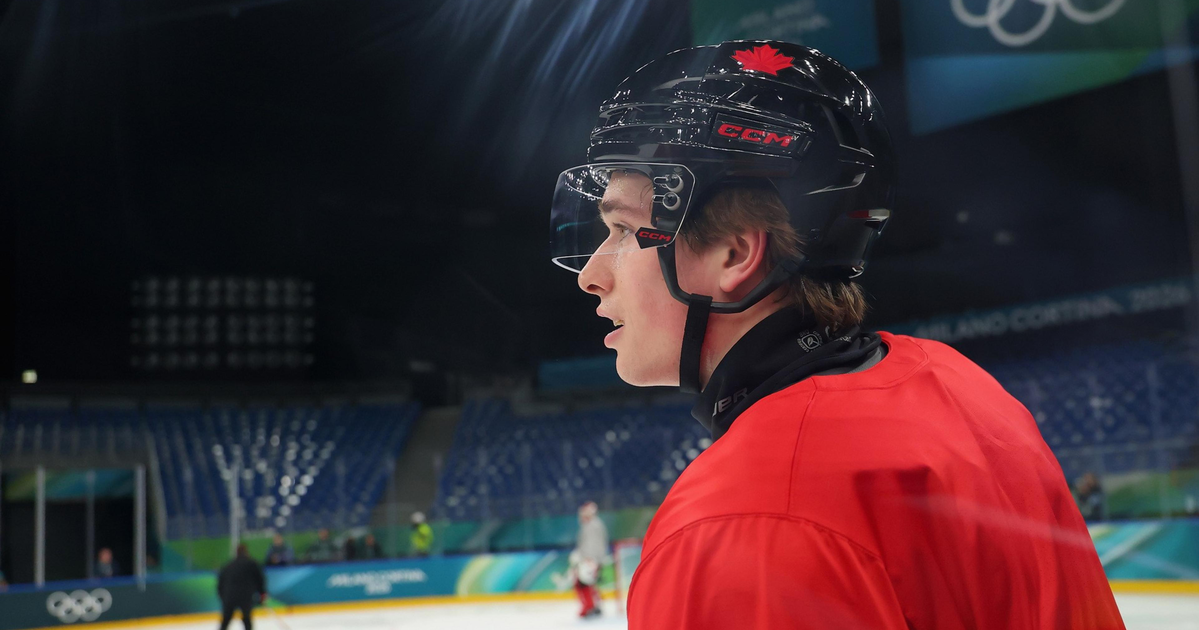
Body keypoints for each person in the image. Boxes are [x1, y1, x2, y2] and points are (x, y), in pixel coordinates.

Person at [549, 40, 1124, 628]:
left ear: (734, 252)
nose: (591, 276)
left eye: (623, 229)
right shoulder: (961, 387)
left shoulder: (736, 524)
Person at [217, 544, 266, 630]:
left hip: (229, 596)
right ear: (246, 552)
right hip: (245, 596)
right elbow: (259, 579)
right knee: (247, 620)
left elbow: (220, 583)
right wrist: (262, 593)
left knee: (226, 620)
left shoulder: (228, 566)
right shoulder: (251, 563)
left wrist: (223, 596)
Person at [572, 501, 608, 618]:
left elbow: (594, 545)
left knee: (583, 583)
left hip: (590, 560)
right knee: (588, 583)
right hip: (590, 559)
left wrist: (590, 559)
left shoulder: (593, 526)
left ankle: (589, 607)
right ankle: (594, 606)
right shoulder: (589, 525)